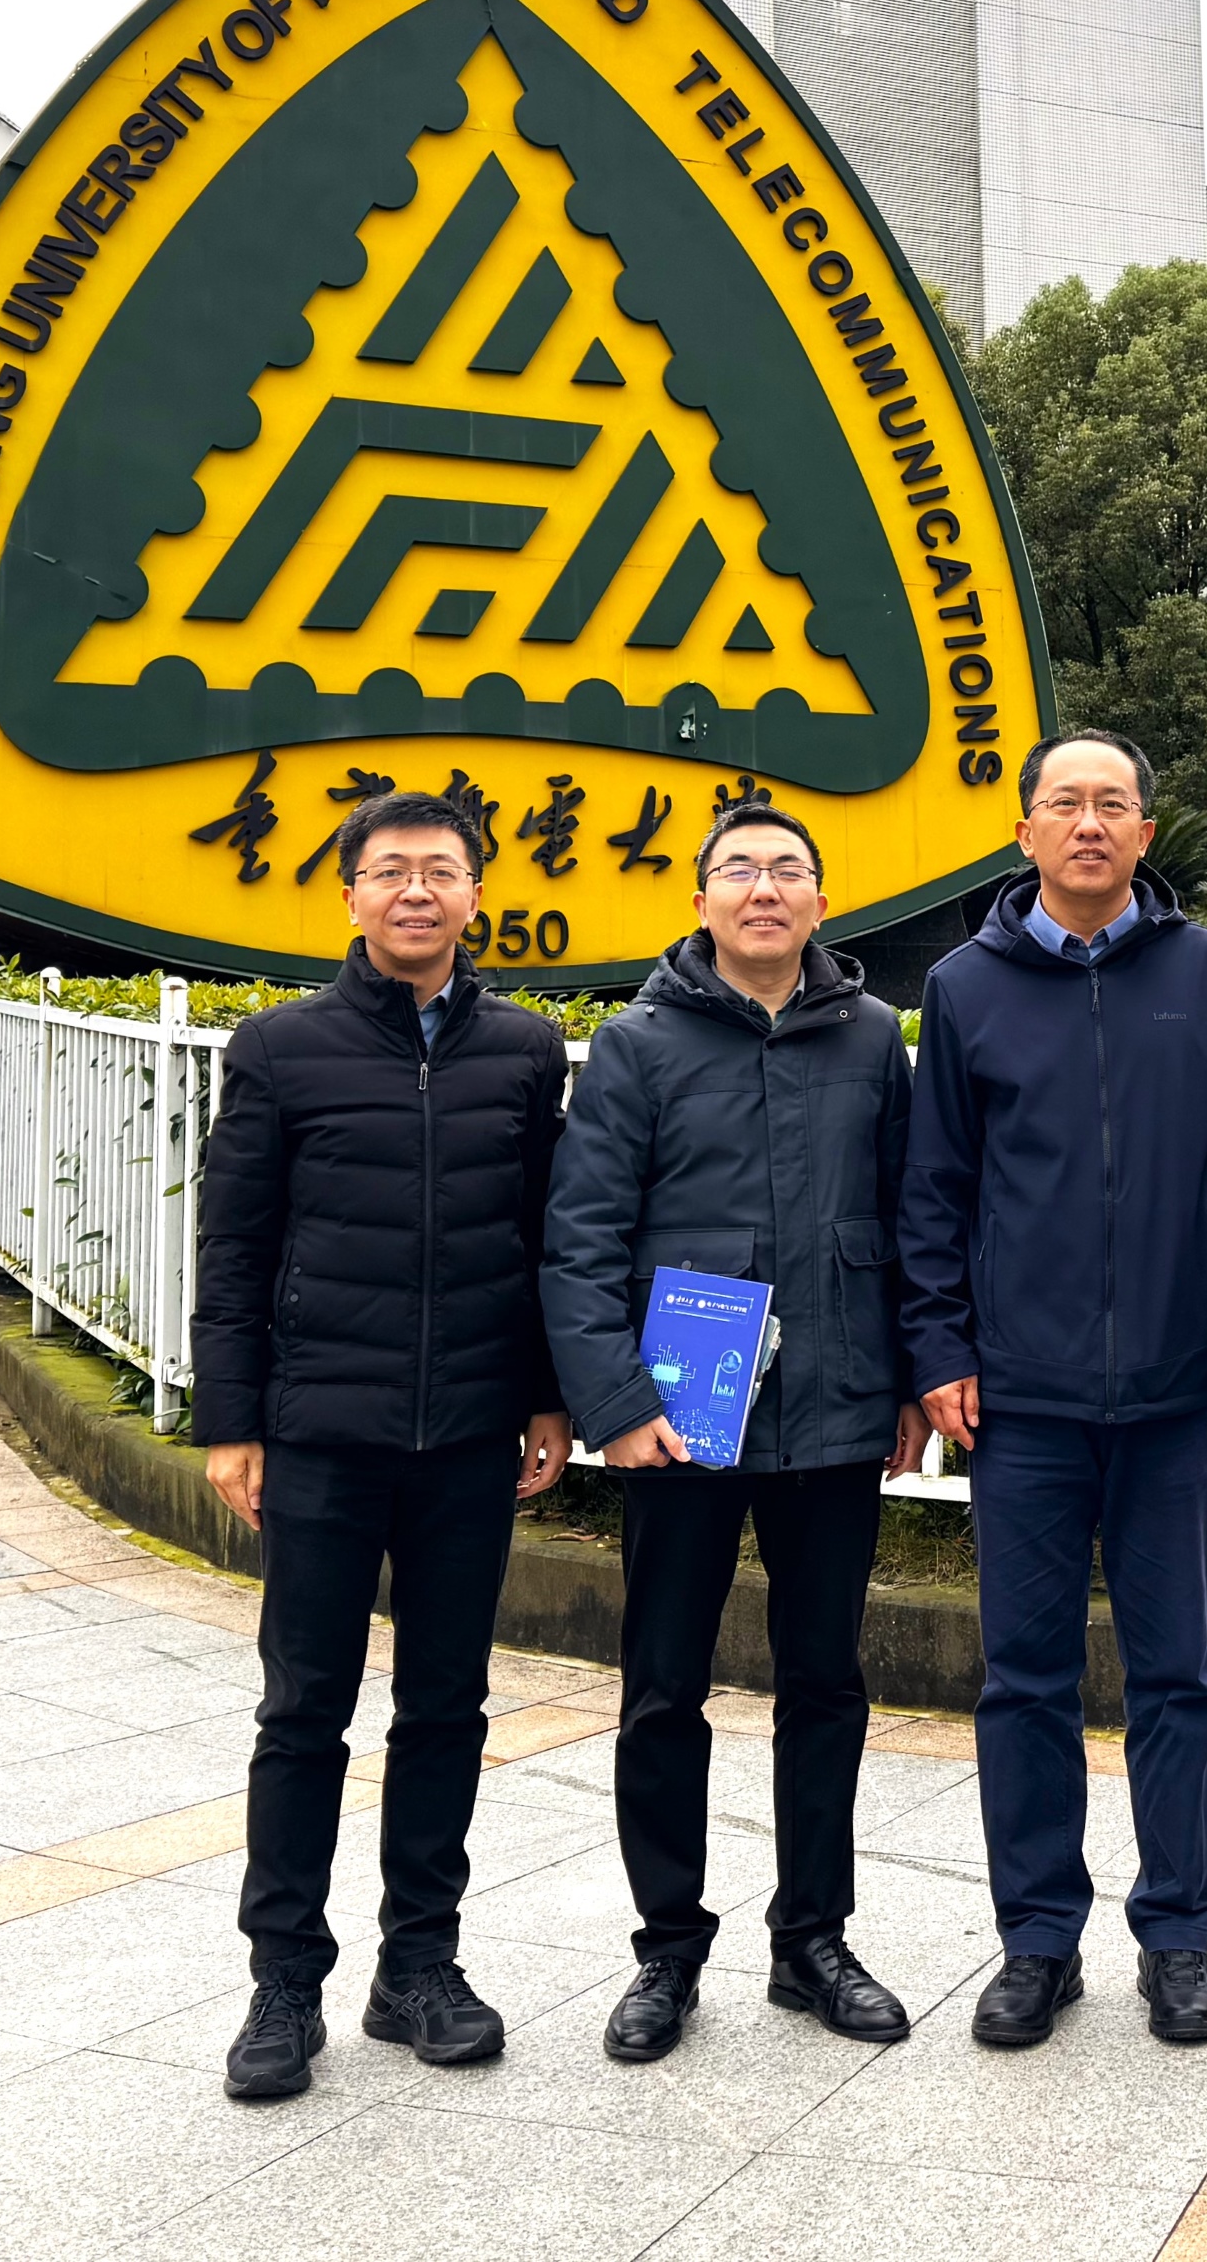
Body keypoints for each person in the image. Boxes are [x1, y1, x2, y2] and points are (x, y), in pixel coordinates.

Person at [897, 730, 1207, 2051]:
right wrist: (941, 1348)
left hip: (1175, 1389)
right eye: (1063, 802)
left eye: (1111, 801)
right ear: (1025, 831)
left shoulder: (1206, 971)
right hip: (1021, 1396)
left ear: (1143, 830)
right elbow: (935, 1188)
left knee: (1179, 1674)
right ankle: (1036, 1939)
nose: (1087, 822)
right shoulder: (965, 984)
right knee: (1024, 1677)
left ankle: (1178, 1936)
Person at [190, 791, 574, 2103]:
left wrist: (545, 1395)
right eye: (392, 869)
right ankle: (283, 1981)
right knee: (304, 1709)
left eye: (441, 869)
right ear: (350, 892)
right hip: (321, 1431)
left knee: (447, 1706)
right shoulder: (281, 1047)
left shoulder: (523, 1048)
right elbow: (234, 1242)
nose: (417, 889)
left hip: (468, 1431)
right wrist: (232, 1418)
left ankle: (419, 1965)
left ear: (476, 893)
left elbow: (541, 1235)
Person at [541, 798, 923, 2065]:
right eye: (740, 869)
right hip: (680, 1422)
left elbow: (909, 1218)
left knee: (826, 1683)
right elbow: (580, 1238)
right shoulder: (638, 1043)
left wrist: (907, 1381)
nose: (765, 887)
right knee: (664, 1686)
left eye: (788, 869)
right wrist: (616, 1404)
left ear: (822, 900)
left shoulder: (870, 1037)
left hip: (835, 1413)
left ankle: (813, 1939)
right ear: (700, 898)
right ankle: (666, 1948)